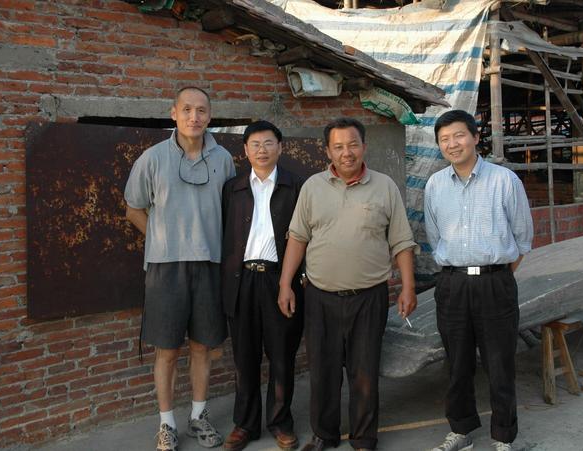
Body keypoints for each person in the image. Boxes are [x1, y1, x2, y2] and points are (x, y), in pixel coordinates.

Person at [277, 117, 418, 451]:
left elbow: (401, 241)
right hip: (320, 296)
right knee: (323, 372)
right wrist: (285, 284)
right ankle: (325, 435)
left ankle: (364, 437)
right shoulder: (313, 187)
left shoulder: (384, 186)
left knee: (364, 371)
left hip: (369, 296)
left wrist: (408, 287)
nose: (346, 152)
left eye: (353, 144)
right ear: (327, 150)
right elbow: (297, 237)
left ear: (364, 147)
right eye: (338, 146)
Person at [124, 87, 235, 451]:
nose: (194, 117)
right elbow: (134, 209)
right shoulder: (152, 158)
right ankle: (167, 423)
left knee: (203, 346)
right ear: (173, 113)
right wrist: (162, 237)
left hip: (209, 264)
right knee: (167, 350)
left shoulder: (223, 159)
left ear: (209, 116)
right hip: (165, 268)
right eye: (187, 109)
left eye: (201, 110)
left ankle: (198, 417)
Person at [424, 110, 534, 451]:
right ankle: (461, 429)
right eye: (444, 139)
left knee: (500, 363)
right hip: (452, 284)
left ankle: (503, 436)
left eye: (458, 135)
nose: (452, 144)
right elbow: (434, 237)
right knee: (456, 363)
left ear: (475, 136)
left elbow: (522, 239)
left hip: (494, 283)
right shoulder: (435, 185)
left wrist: (494, 275)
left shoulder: (505, 181)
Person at [220, 120, 305, 451]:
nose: (262, 149)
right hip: (242, 281)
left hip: (279, 279)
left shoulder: (295, 187)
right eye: (255, 144)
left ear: (280, 147)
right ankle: (245, 425)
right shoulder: (233, 189)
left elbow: (305, 237)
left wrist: (294, 281)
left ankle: (281, 423)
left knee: (282, 355)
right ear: (245, 151)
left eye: (269, 143)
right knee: (245, 357)